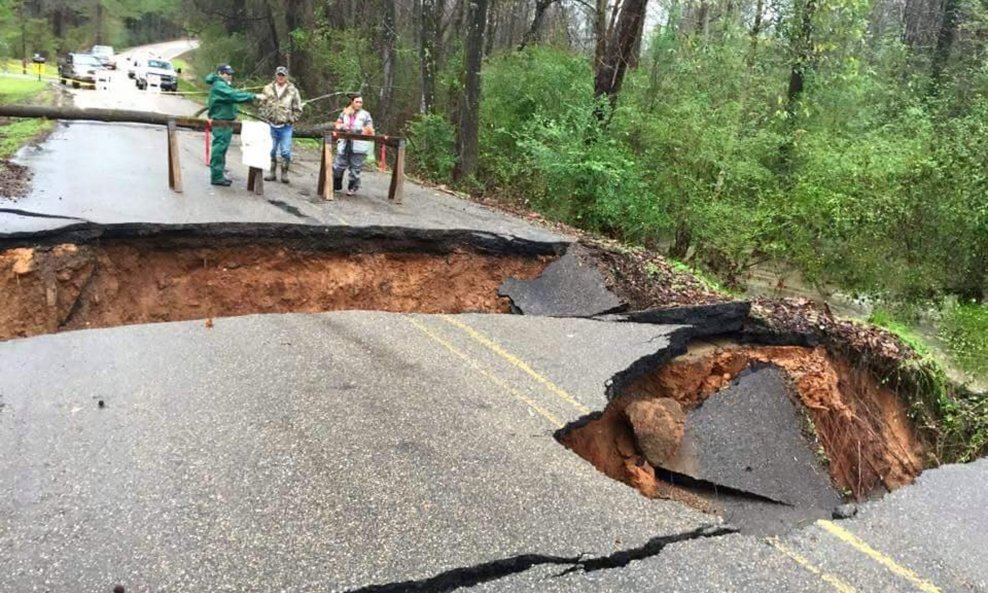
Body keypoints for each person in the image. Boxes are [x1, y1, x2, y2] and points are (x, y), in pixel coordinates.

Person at [204, 64, 262, 186]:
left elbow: (232, 95)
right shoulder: (219, 85)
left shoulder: (223, 85)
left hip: (226, 121)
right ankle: (216, 177)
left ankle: (218, 174)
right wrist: (254, 96)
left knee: (222, 148)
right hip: (221, 121)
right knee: (219, 149)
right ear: (220, 73)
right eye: (227, 73)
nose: (230, 76)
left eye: (231, 74)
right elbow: (234, 96)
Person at [259, 66, 303, 184]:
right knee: (271, 150)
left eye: (283, 75)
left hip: (286, 127)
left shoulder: (293, 90)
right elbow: (261, 104)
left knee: (285, 151)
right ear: (275, 75)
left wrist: (292, 119)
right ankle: (272, 172)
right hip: (270, 125)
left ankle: (284, 173)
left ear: (286, 76)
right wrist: (264, 117)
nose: (280, 77)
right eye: (279, 75)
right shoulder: (267, 88)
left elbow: (298, 109)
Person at [332, 94, 374, 196]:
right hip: (345, 143)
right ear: (352, 102)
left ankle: (352, 187)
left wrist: (357, 130)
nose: (359, 104)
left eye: (360, 102)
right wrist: (342, 126)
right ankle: (336, 184)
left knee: (355, 169)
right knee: (338, 167)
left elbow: (370, 130)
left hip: (359, 145)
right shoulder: (344, 113)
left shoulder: (365, 115)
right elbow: (337, 124)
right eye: (357, 102)